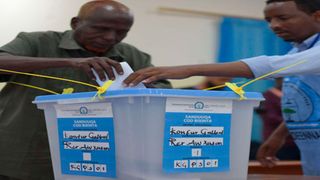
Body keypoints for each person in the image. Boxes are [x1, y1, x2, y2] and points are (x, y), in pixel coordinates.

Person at [124, 0, 320, 175]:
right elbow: (307, 102)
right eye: (269, 20)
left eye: (283, 18)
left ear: (317, 16)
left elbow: (271, 65)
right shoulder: (299, 51)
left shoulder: (305, 56)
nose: (274, 26)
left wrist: (189, 69)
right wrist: (278, 135)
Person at [0, 0, 171, 179]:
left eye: (122, 32)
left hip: (95, 159)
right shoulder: (37, 42)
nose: (110, 37)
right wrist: (70, 62)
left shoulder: (132, 55)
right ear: (76, 23)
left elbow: (162, 92)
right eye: (101, 28)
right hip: (23, 154)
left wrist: (146, 86)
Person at [256, 78, 300, 161]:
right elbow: (271, 118)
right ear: (277, 78)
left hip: (297, 142)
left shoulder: (296, 96)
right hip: (279, 143)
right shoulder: (267, 96)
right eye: (284, 78)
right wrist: (297, 122)